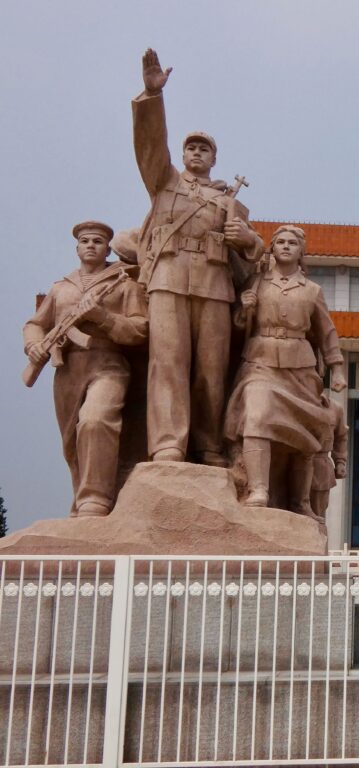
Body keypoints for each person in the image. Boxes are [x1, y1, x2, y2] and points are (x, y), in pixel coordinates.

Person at [131, 48, 262, 466]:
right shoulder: (165, 182)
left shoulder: (230, 201)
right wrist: (153, 98)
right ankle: (168, 442)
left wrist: (246, 239)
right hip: (168, 277)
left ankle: (208, 444)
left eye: (205, 149)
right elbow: (151, 146)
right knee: (167, 362)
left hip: (214, 284)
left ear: (215, 158)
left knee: (210, 370)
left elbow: (256, 256)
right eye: (191, 147)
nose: (197, 153)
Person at [23, 222, 148, 517]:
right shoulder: (60, 288)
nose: (91, 245)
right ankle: (81, 499)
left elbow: (140, 329)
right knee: (72, 441)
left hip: (108, 363)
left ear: (108, 248)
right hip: (67, 368)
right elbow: (35, 324)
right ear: (77, 248)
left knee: (95, 421)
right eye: (85, 241)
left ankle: (96, 499)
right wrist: (35, 345)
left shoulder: (123, 283)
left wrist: (102, 317)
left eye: (98, 241)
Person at [224, 225, 346, 516]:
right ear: (273, 247)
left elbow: (326, 332)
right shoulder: (257, 281)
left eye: (293, 243)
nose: (286, 247)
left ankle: (299, 500)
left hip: (299, 368)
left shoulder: (312, 291)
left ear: (302, 251)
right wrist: (244, 309)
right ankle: (258, 488)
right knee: (256, 415)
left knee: (304, 432)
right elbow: (237, 327)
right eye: (280, 242)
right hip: (260, 360)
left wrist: (337, 368)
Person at [310, 394, 349, 521]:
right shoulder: (292, 398)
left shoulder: (335, 408)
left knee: (317, 514)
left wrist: (340, 461)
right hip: (291, 461)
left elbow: (341, 437)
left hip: (319, 464)